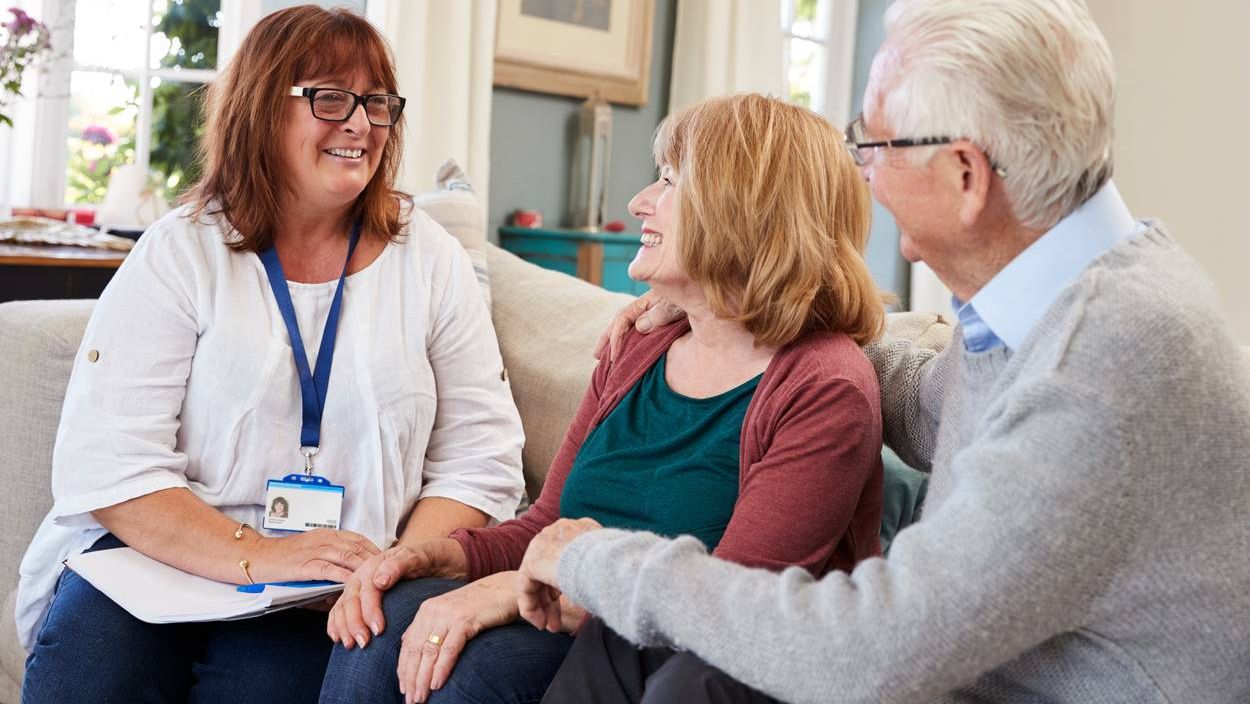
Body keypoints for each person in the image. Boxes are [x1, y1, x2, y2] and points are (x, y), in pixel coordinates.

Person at [516, 1, 1250, 702]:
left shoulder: (1105, 366)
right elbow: (930, 408)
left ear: (966, 176)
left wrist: (591, 557)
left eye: (873, 145)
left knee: (692, 663)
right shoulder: (1053, 306)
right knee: (644, 645)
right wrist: (732, 309)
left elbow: (866, 652)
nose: (860, 174)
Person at [18, 7, 525, 703]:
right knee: (93, 670)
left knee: (267, 685)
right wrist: (256, 555)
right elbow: (111, 462)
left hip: (329, 587)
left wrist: (394, 565)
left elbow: (481, 459)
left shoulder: (428, 259)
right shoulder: (181, 251)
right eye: (330, 97)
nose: (360, 123)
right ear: (261, 110)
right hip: (154, 562)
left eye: (377, 102)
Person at [318, 93, 888, 704]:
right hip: (581, 619)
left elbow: (729, 611)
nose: (639, 202)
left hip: (683, 659)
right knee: (386, 617)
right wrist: (436, 557)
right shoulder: (639, 346)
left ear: (745, 211)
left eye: (668, 182)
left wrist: (515, 589)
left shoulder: (823, 386)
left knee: (475, 673)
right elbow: (545, 523)